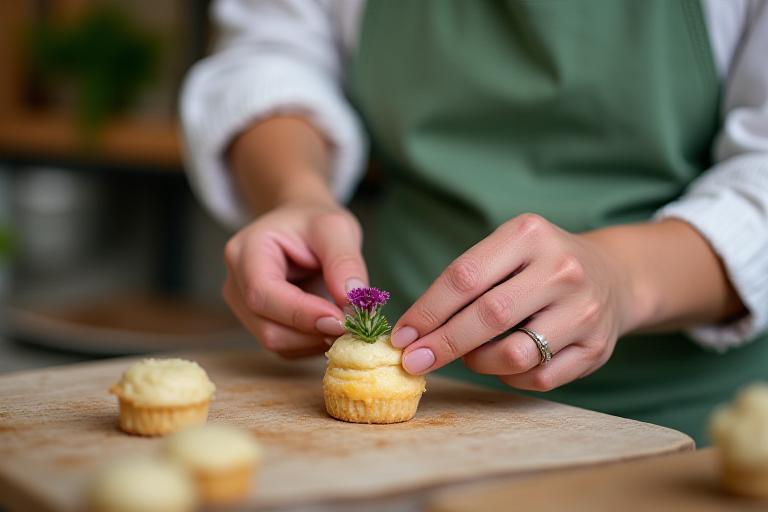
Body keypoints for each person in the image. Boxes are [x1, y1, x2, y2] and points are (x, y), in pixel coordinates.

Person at [181, 0, 768, 445]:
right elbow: (271, 55)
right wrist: (295, 191)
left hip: (684, 424)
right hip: (411, 428)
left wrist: (626, 276)